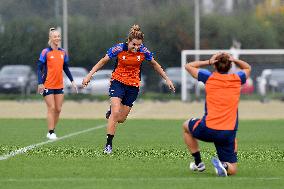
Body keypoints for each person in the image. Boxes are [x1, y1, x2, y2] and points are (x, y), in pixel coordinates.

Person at [82, 24, 175, 154]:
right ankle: (108, 145)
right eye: (134, 45)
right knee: (115, 113)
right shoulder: (119, 48)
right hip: (117, 82)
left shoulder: (144, 51)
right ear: (128, 41)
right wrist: (89, 75)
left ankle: (111, 112)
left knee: (121, 119)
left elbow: (155, 64)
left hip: (133, 86)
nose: (136, 48)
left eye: (139, 45)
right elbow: (103, 61)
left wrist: (167, 79)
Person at [183, 52, 251, 176]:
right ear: (230, 65)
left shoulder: (209, 77)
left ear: (215, 65)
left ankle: (198, 163)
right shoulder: (237, 78)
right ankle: (224, 165)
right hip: (227, 133)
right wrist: (234, 59)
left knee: (186, 126)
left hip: (207, 129)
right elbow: (247, 67)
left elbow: (188, 66)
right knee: (233, 169)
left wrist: (208, 61)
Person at [37, 27, 78, 140]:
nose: (57, 38)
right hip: (47, 84)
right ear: (50, 38)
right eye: (55, 36)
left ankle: (51, 130)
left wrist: (72, 81)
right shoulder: (45, 52)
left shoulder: (63, 52)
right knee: (52, 108)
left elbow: (66, 68)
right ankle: (51, 132)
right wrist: (40, 83)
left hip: (59, 85)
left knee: (58, 109)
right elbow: (38, 68)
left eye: (59, 36)